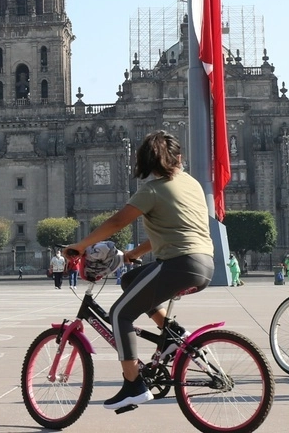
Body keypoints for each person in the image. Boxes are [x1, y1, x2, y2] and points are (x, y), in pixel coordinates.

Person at [64, 131, 214, 412]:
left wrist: (80, 245)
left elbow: (118, 221)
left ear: (146, 162)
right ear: (178, 157)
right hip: (203, 262)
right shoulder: (190, 183)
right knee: (132, 280)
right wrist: (133, 255)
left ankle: (134, 386)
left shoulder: (153, 189)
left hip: (179, 264)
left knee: (120, 313)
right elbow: (172, 231)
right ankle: (171, 334)